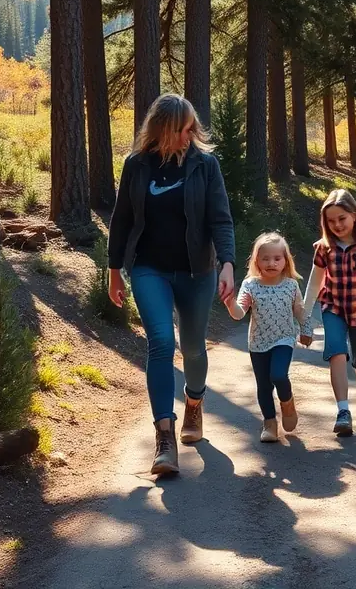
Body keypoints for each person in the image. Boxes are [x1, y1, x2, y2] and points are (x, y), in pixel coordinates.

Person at [107, 93, 236, 476]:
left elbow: (220, 219)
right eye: (183, 128)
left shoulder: (205, 165)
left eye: (192, 128)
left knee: (193, 347)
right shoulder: (136, 165)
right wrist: (114, 270)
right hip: (149, 269)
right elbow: (122, 219)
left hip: (197, 271)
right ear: (163, 129)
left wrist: (228, 264)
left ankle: (194, 403)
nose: (190, 135)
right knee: (161, 343)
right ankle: (164, 437)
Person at [300, 189, 356, 437]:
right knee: (336, 352)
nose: (337, 225)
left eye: (342, 218)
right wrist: (305, 318)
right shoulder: (323, 248)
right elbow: (314, 284)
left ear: (354, 216)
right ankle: (343, 411)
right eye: (331, 221)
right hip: (333, 308)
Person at [226, 232, 306, 443]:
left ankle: (287, 403)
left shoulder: (291, 285)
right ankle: (270, 423)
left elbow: (299, 310)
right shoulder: (250, 285)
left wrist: (306, 330)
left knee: (278, 375)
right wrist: (230, 303)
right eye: (265, 259)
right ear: (257, 261)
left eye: (277, 258)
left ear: (285, 260)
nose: (271, 263)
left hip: (284, 339)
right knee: (263, 385)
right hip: (258, 343)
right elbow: (239, 313)